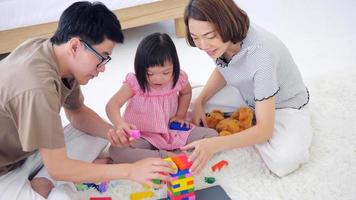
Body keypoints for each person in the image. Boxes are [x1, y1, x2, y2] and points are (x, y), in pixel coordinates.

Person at [0, 2, 175, 200]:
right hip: (4, 170)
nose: (102, 68)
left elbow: (76, 112)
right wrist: (130, 171)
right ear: (75, 46)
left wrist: (112, 132)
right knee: (62, 194)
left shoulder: (56, 55)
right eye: (103, 57)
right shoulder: (37, 87)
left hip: (28, 149)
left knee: (97, 132)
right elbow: (58, 167)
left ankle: (45, 180)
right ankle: (55, 185)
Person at [181, 0, 312, 177]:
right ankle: (248, 124)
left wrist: (216, 143)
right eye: (195, 38)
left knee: (284, 161)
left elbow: (266, 130)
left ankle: (250, 128)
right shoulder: (222, 44)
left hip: (283, 106)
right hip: (247, 94)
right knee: (188, 103)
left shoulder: (261, 55)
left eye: (209, 36)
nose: (203, 46)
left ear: (226, 24)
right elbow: (226, 69)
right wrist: (200, 101)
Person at [106, 32, 218, 163]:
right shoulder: (134, 82)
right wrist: (120, 124)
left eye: (166, 72)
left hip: (171, 131)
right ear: (140, 68)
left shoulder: (178, 78)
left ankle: (168, 152)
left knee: (212, 136)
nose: (158, 78)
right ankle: (165, 156)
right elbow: (112, 105)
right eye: (150, 73)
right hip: (142, 135)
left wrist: (181, 115)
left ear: (175, 67)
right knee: (117, 151)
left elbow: (186, 93)